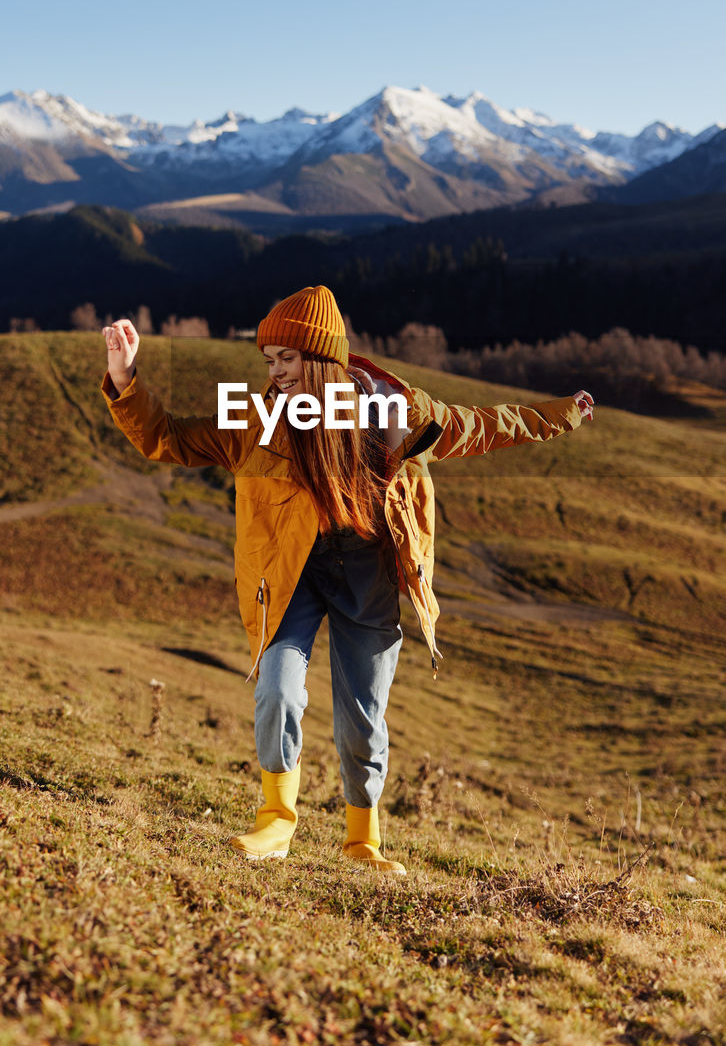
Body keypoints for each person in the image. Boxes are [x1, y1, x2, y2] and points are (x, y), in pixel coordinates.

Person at [102, 285, 594, 875]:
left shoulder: (394, 415)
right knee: (277, 689)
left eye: (287, 359)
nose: (275, 372)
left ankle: (363, 840)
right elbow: (170, 438)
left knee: (363, 715)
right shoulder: (257, 419)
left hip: (367, 570)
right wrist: (125, 380)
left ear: (322, 360)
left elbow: (482, 425)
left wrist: (562, 414)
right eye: (269, 361)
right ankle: (275, 822)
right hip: (291, 572)